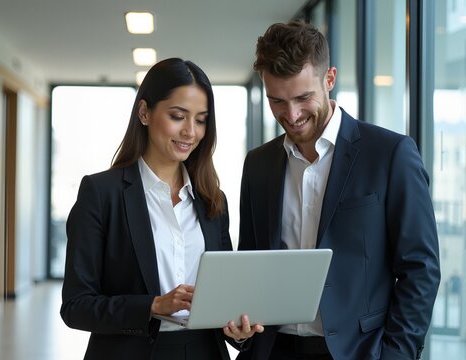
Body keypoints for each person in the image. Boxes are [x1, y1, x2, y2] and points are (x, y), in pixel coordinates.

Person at [236, 21, 441, 360]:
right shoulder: (257, 165)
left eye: (303, 98)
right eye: (277, 101)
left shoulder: (390, 154)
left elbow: (420, 267)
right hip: (274, 351)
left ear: (329, 79)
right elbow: (251, 265)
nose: (292, 114)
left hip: (360, 352)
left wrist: (396, 353)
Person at [60, 57, 263, 360]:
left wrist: (238, 330)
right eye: (178, 116)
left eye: (201, 119)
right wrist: (153, 306)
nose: (190, 132)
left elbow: (222, 297)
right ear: (144, 112)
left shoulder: (213, 200)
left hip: (204, 351)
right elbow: (75, 307)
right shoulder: (101, 193)